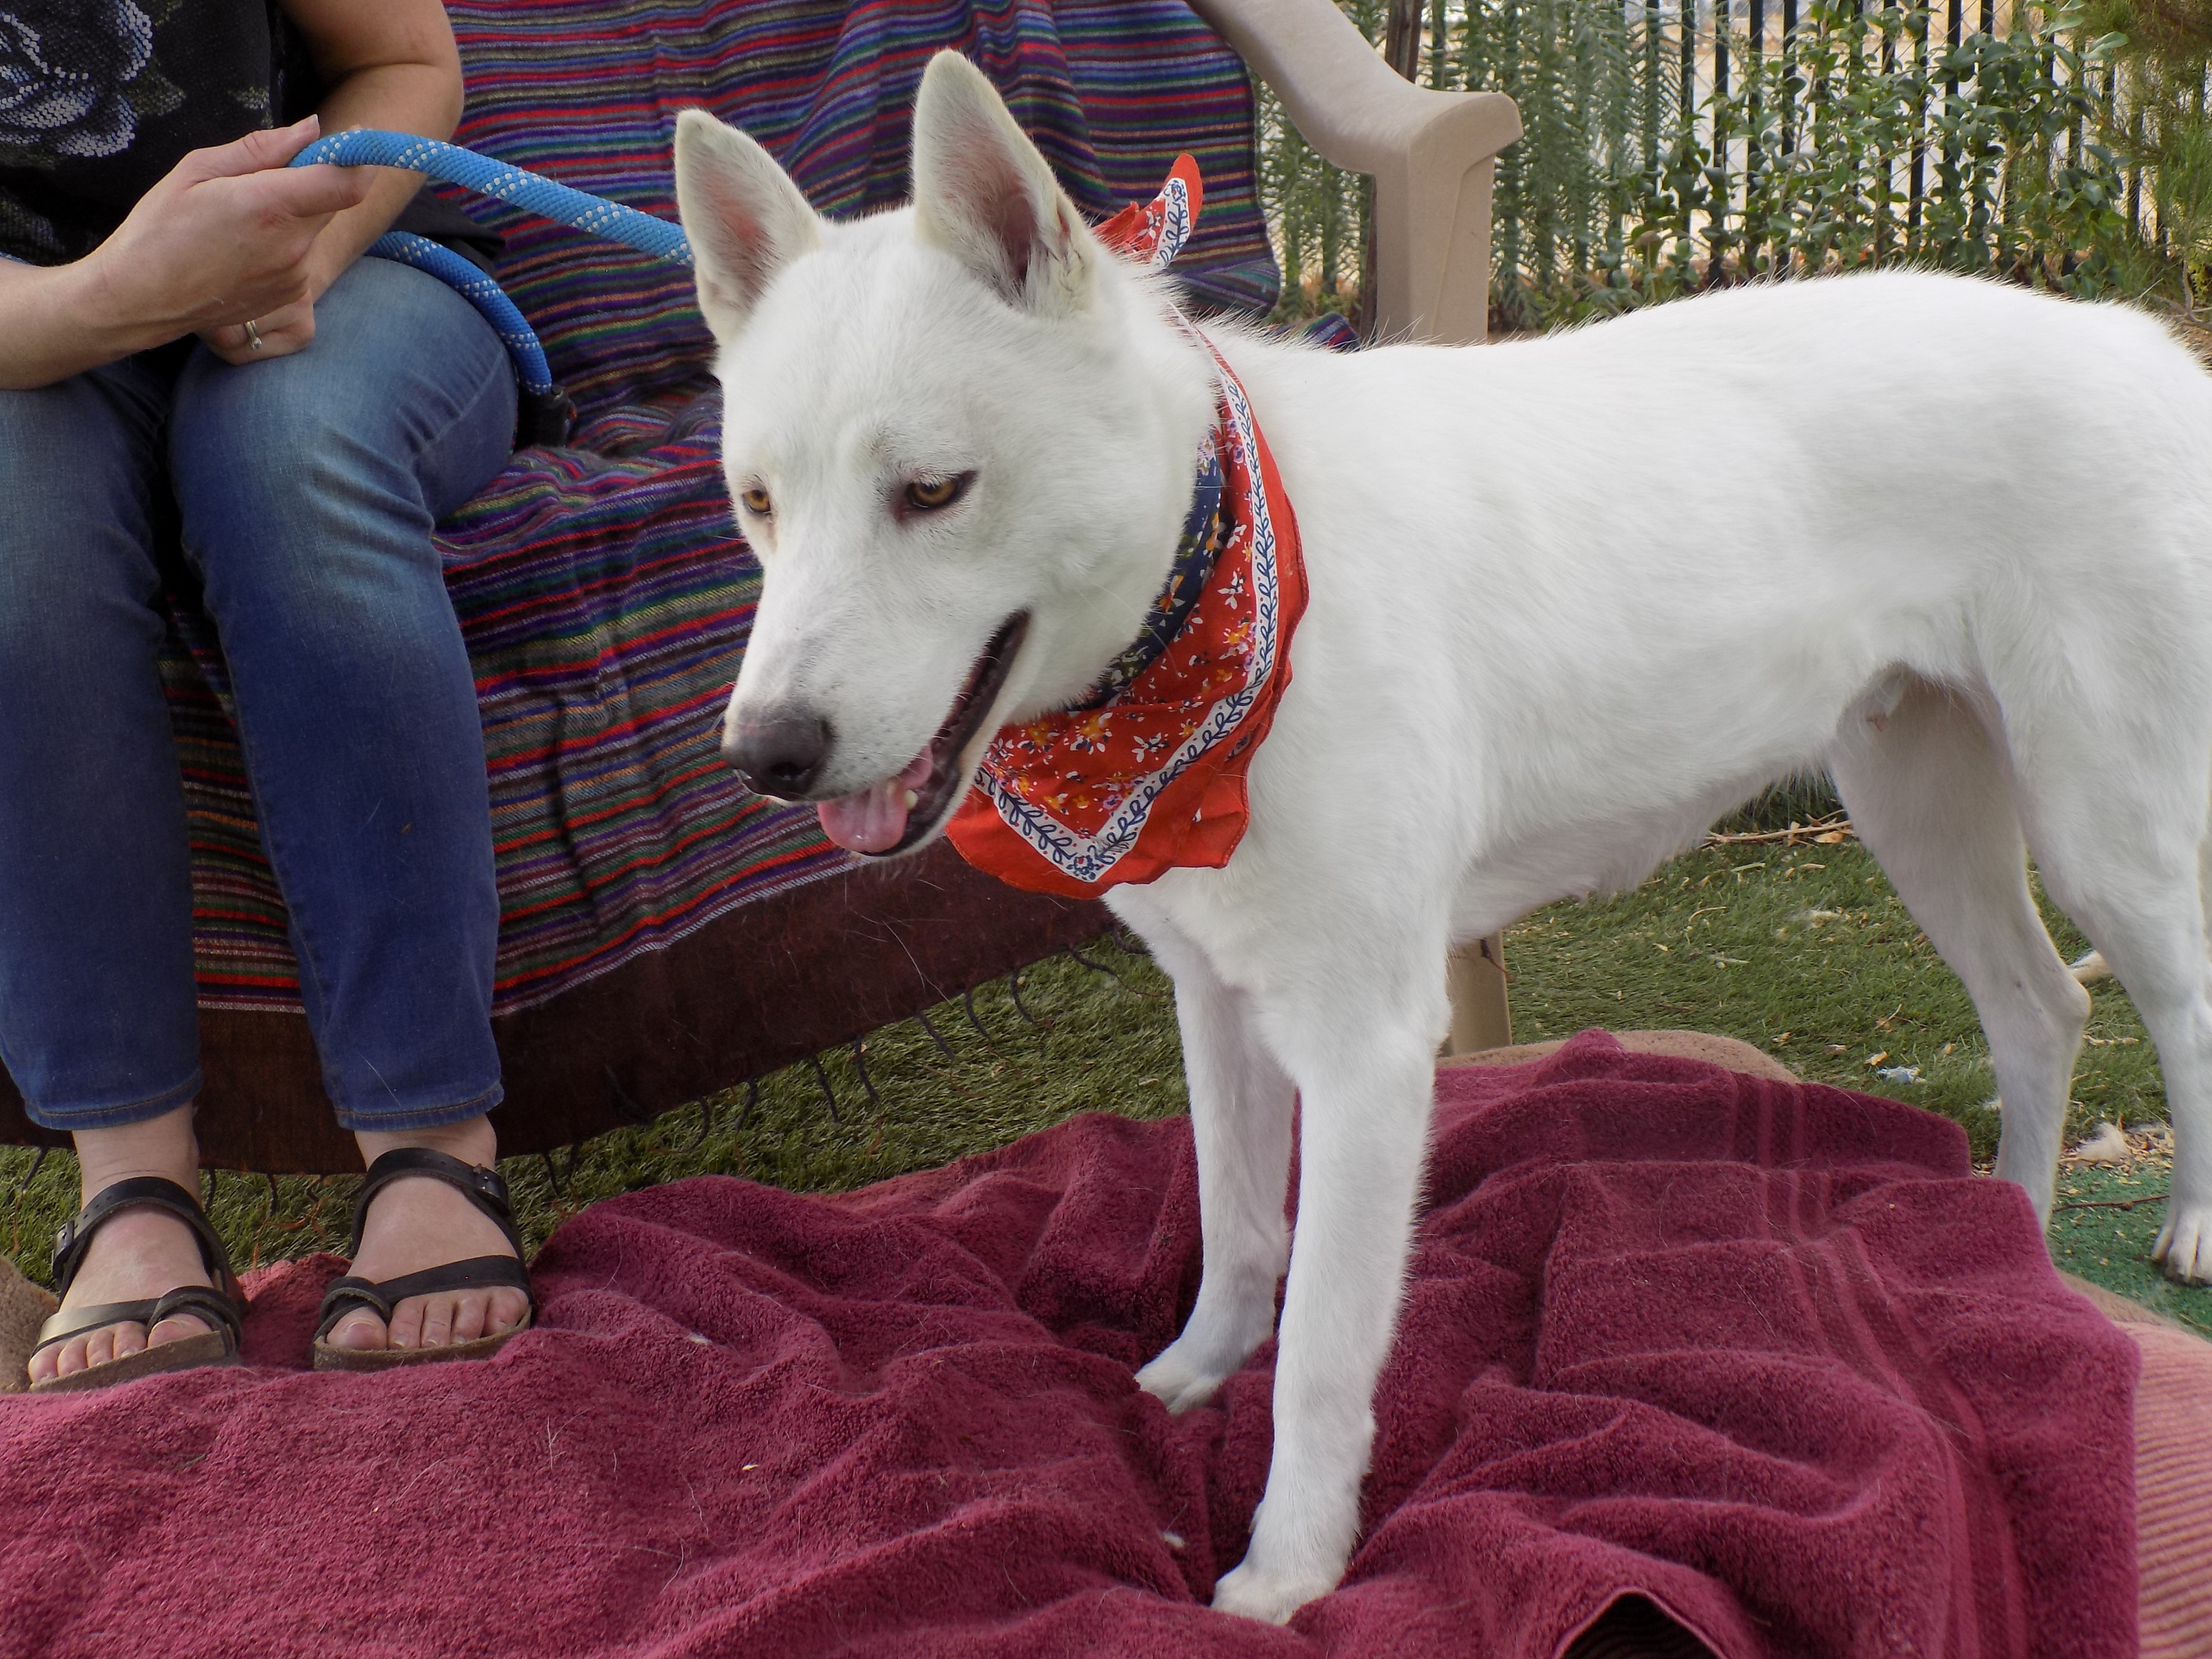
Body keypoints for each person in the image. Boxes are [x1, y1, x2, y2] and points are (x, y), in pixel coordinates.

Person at [1, 0, 533, 1389]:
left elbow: (407, 60)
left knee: (283, 461)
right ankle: (131, 1190)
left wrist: (309, 252)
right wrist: (113, 305)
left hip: (355, 268)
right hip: (26, 329)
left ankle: (432, 1148)